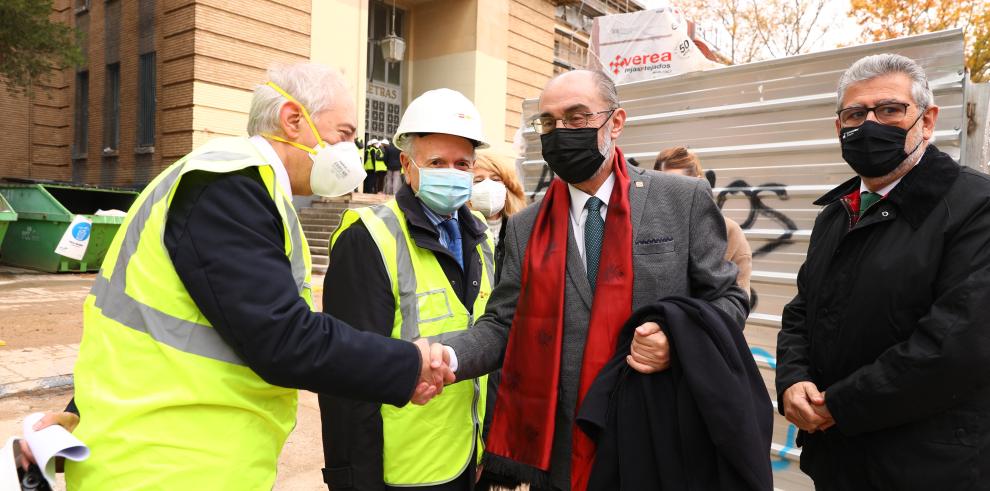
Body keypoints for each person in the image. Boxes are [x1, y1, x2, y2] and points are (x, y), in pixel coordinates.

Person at [24, 63, 454, 490]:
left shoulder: (240, 189)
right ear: (292, 120)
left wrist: (76, 413)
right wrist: (407, 363)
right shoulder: (228, 185)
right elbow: (281, 337)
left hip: (168, 459)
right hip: (173, 468)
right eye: (344, 134)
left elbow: (148, 335)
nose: (353, 149)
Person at [439, 69, 749, 490]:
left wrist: (679, 339)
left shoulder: (681, 200)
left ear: (615, 122)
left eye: (577, 117)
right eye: (548, 122)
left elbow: (727, 299)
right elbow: (502, 325)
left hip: (659, 439)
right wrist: (441, 356)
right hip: (561, 453)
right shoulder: (525, 226)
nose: (560, 131)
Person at [775, 53, 990, 489]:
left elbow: (953, 346)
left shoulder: (975, 206)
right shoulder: (836, 214)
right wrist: (793, 381)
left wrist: (838, 405)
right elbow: (802, 312)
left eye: (890, 109)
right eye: (856, 113)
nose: (870, 124)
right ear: (840, 129)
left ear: (926, 121)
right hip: (838, 461)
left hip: (928, 468)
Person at [319, 88, 494, 491]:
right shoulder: (369, 238)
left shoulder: (481, 236)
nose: (451, 173)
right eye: (437, 162)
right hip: (399, 470)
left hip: (466, 458)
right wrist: (353, 479)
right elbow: (345, 375)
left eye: (462, 163)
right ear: (407, 164)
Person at [656, 146, 752, 299]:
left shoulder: (729, 232)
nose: (669, 195)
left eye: (677, 186)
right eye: (663, 186)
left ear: (699, 185)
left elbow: (737, 303)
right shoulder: (644, 230)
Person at [469, 151, 526, 278]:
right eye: (478, 180)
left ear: (507, 187)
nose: (488, 185)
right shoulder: (457, 232)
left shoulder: (522, 230)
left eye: (495, 179)